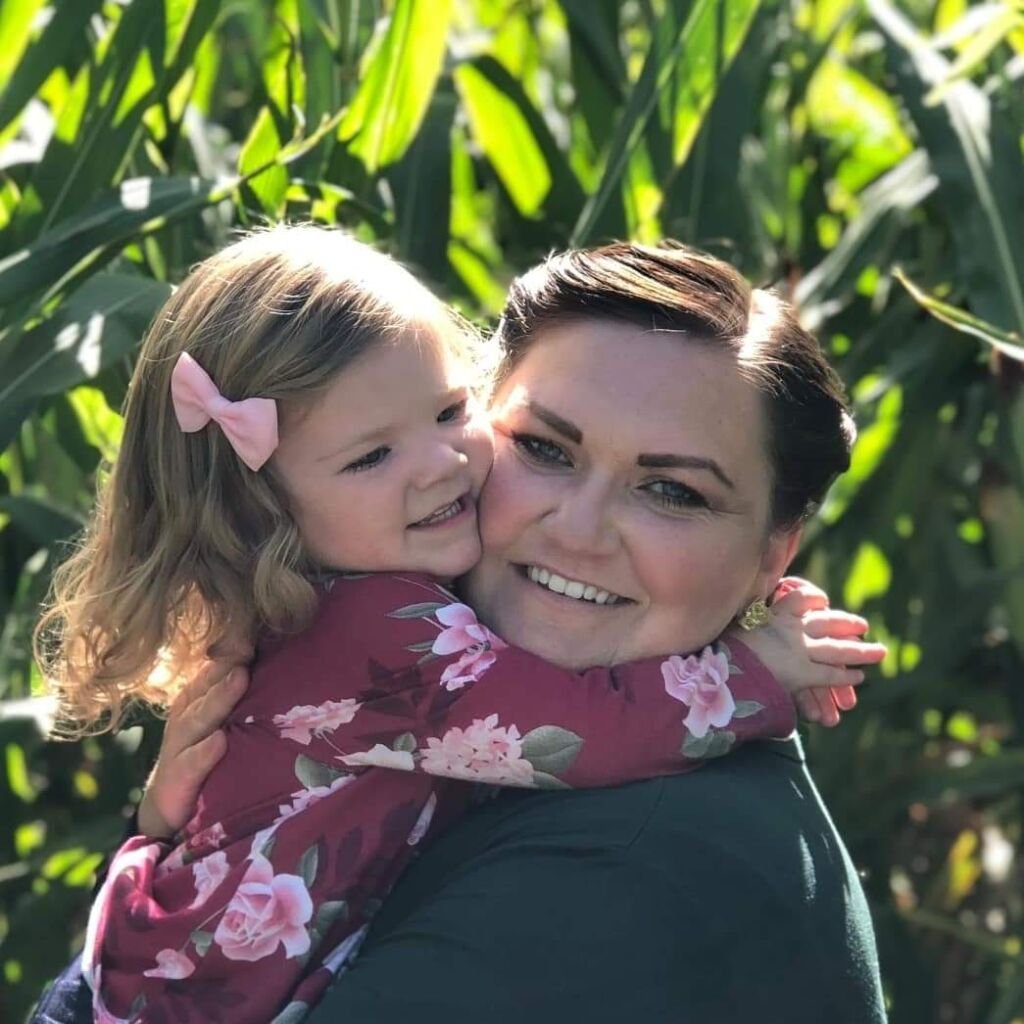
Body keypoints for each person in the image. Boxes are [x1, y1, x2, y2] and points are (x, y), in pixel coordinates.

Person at [33, 238, 886, 1024]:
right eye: (544, 448)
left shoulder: (617, 871)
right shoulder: (385, 625)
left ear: (774, 552)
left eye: (673, 493)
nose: (578, 532)